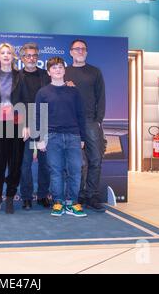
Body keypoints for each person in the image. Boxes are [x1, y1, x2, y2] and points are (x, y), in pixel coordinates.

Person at [36, 56, 87, 217]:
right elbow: (39, 116)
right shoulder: (43, 92)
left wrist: (82, 138)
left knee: (75, 171)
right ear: (49, 72)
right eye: (54, 68)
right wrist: (40, 138)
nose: (57, 70)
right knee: (56, 171)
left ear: (64, 70)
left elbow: (80, 115)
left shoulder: (74, 91)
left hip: (73, 136)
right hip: (52, 137)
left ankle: (72, 203)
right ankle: (58, 202)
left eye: (60, 67)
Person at [0, 42, 30, 214]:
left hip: (17, 123)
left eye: (8, 52)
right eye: (2, 53)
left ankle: (10, 197)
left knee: (15, 163)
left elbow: (26, 101)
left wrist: (27, 126)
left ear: (12, 56)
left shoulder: (20, 76)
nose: (5, 55)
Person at [64, 39, 106, 212]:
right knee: (77, 163)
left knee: (95, 159)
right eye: (77, 49)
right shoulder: (63, 72)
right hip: (71, 122)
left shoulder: (95, 72)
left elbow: (101, 97)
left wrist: (98, 120)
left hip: (90, 121)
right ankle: (78, 195)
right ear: (71, 52)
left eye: (83, 49)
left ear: (86, 52)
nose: (80, 51)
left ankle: (92, 195)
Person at [18, 43, 51, 210]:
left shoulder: (46, 75)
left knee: (45, 162)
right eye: (28, 55)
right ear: (22, 58)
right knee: (25, 163)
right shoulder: (16, 76)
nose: (31, 58)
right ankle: (26, 197)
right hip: (24, 125)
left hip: (44, 121)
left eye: (34, 55)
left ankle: (43, 195)